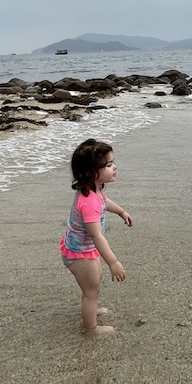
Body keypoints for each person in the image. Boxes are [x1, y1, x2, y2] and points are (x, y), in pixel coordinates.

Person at [59, 138, 133, 334]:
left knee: (95, 281)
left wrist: (121, 211)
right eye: (109, 165)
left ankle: (91, 307)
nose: (115, 167)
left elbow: (105, 202)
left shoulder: (94, 190)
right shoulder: (89, 202)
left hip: (82, 248)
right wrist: (113, 262)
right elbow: (97, 236)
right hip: (79, 253)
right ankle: (90, 328)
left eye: (113, 163)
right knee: (92, 289)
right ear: (92, 172)